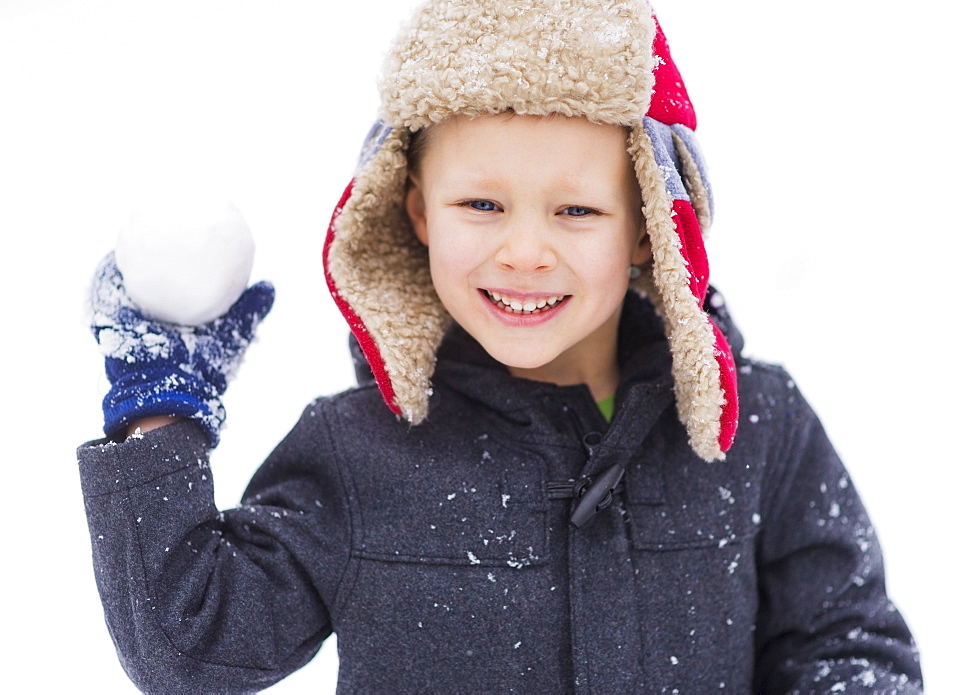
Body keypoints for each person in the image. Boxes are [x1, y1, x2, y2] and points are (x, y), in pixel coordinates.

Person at [78, 0, 922, 692]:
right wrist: (161, 412)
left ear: (647, 230)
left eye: (576, 211)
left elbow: (844, 639)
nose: (524, 250)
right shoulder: (361, 453)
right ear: (415, 212)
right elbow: (190, 643)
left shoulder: (756, 431)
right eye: (482, 205)